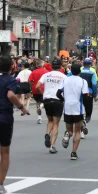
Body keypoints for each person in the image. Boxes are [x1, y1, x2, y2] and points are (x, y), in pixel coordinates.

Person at [0, 55, 29, 194]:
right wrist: (22, 107)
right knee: (4, 151)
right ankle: (0, 183)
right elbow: (11, 95)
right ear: (12, 67)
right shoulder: (10, 80)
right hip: (4, 116)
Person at [57, 62, 89, 160]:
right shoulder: (83, 81)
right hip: (77, 108)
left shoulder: (65, 80)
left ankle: (67, 135)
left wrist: (64, 100)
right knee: (77, 131)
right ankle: (73, 153)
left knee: (69, 130)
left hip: (67, 108)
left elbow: (58, 93)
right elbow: (85, 95)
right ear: (80, 71)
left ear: (71, 70)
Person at [36, 59, 66, 153]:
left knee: (50, 120)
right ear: (60, 66)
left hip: (47, 99)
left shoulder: (46, 75)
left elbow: (37, 86)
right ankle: (52, 146)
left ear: (52, 66)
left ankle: (47, 134)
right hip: (58, 100)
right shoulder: (64, 77)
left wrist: (43, 93)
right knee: (56, 123)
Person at [78, 58, 98, 139]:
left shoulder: (79, 72)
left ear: (83, 64)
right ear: (90, 64)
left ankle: (81, 129)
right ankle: (85, 122)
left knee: (80, 111)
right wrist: (95, 94)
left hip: (79, 92)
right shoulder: (92, 72)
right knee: (88, 112)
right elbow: (94, 84)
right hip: (88, 93)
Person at [28, 59, 48, 124]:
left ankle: (39, 117)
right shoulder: (46, 72)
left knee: (37, 102)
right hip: (44, 89)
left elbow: (30, 81)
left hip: (35, 89)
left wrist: (33, 84)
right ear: (42, 65)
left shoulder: (33, 72)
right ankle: (41, 106)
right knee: (44, 101)